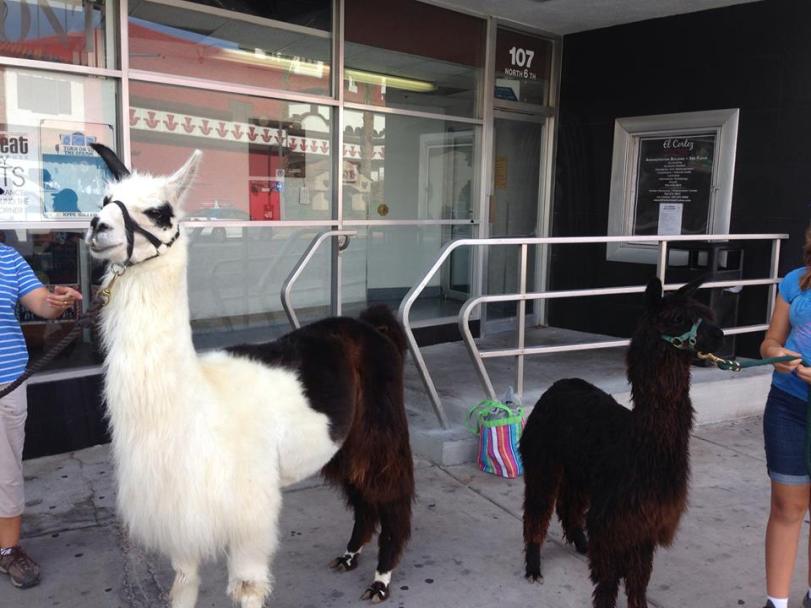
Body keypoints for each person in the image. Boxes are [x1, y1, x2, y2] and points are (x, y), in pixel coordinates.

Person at [0, 242, 81, 589]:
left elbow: (40, 305)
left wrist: (57, 302)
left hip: (7, 380)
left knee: (6, 470)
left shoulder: (8, 257)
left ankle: (7, 550)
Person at [760, 226, 811, 608]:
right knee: (786, 506)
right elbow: (769, 341)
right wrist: (777, 355)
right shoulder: (796, 280)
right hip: (788, 406)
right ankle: (775, 604)